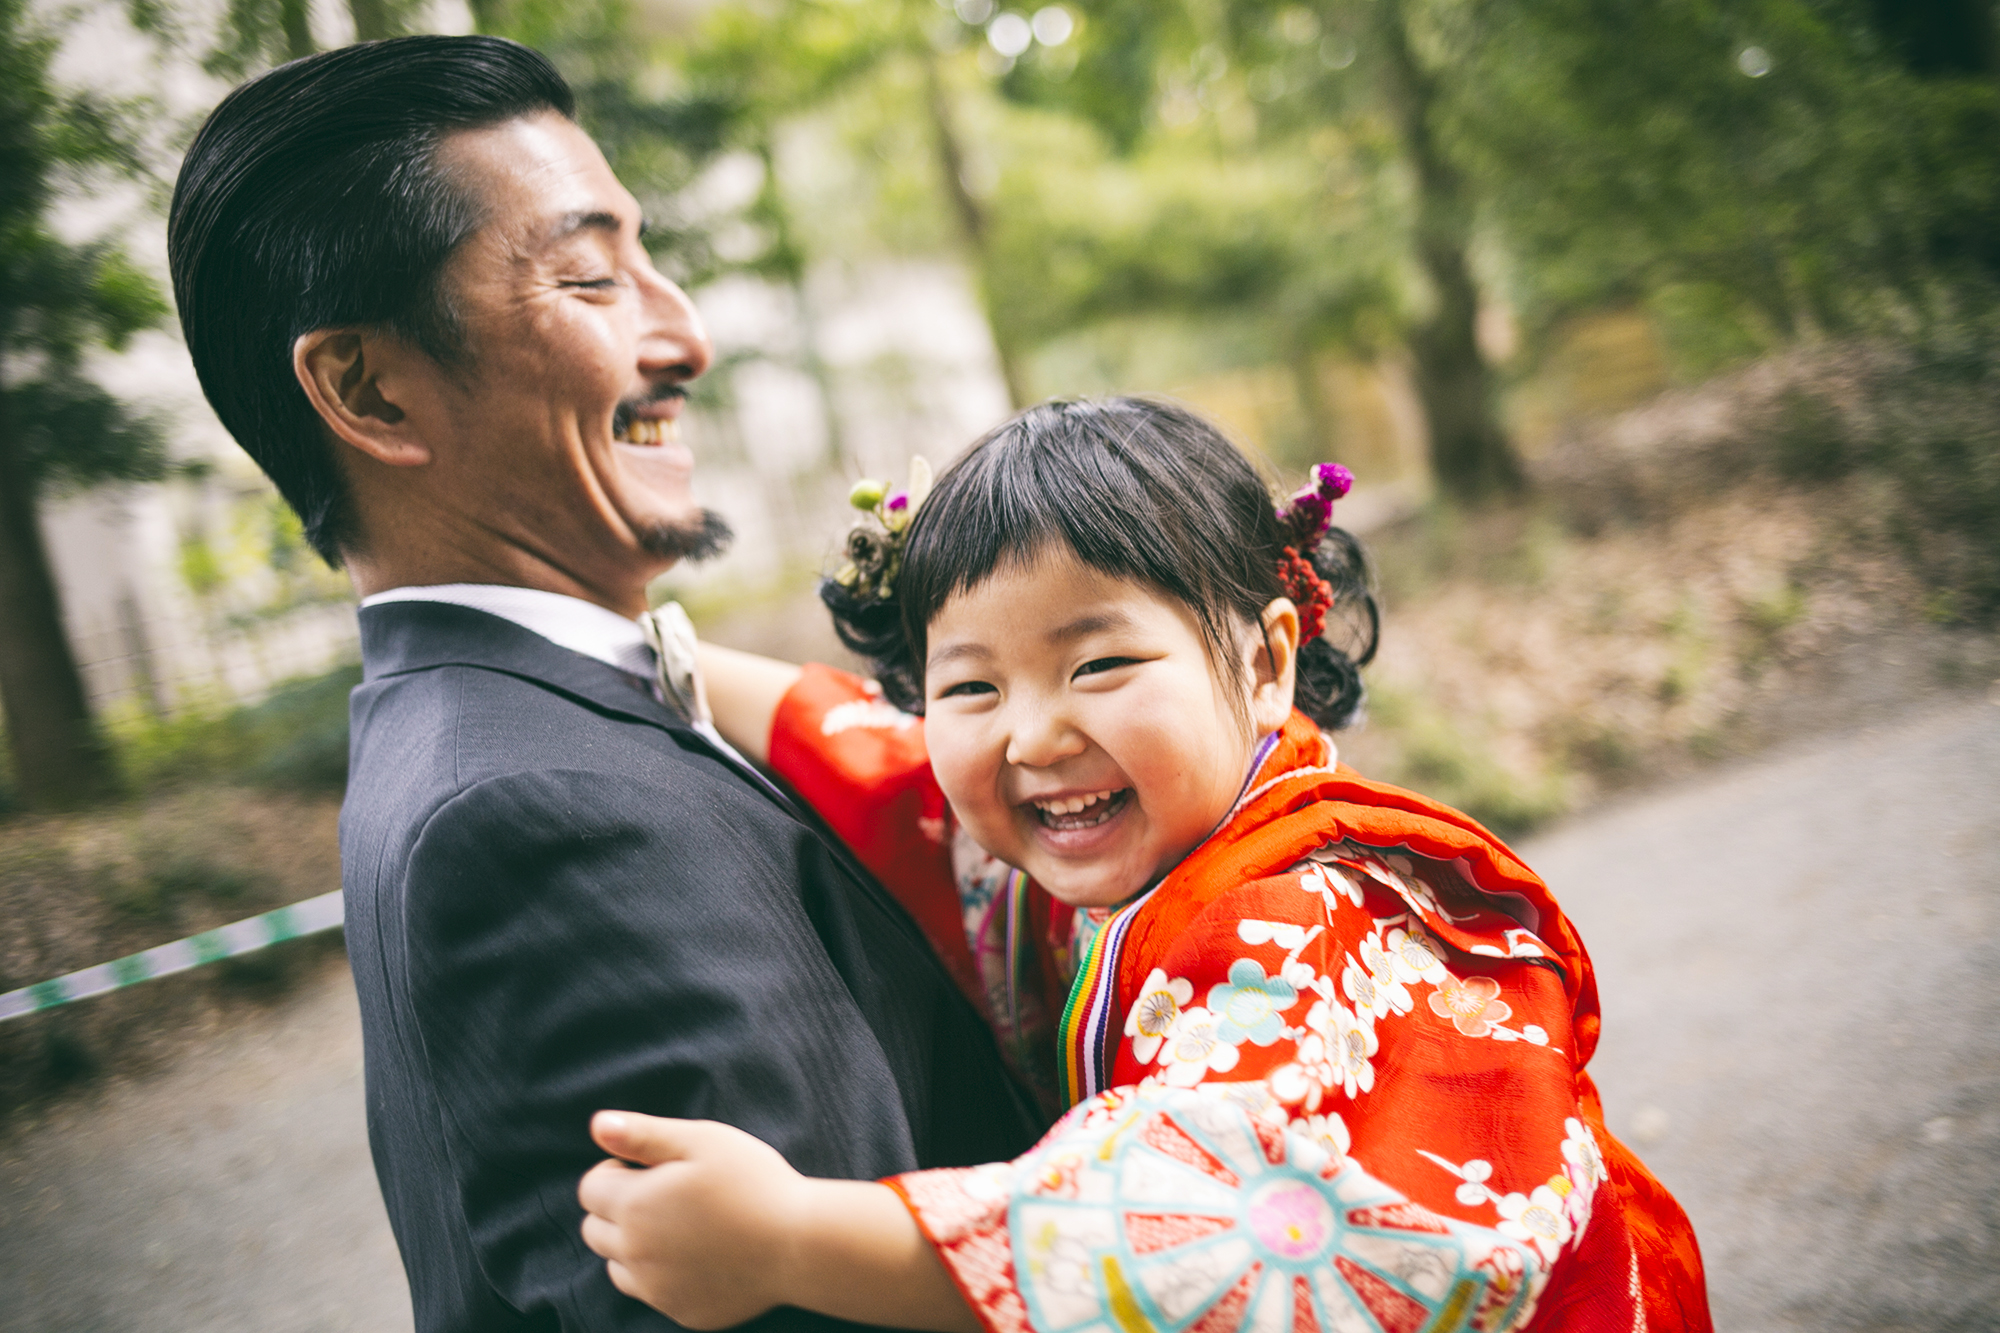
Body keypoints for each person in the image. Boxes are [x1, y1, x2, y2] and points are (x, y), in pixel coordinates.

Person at [166, 35, 1045, 1333]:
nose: (683, 332)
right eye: (588, 278)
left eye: (649, 260)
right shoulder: (539, 814)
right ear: (367, 387)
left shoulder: (504, 728)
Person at [576, 398, 1713, 1332]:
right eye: (969, 685)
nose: (1029, 736)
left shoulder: (1316, 915)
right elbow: (881, 763)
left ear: (1266, 660)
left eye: (1099, 662)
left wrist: (786, 1238)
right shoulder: (1126, 827)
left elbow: (1184, 1222)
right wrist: (641, 646)